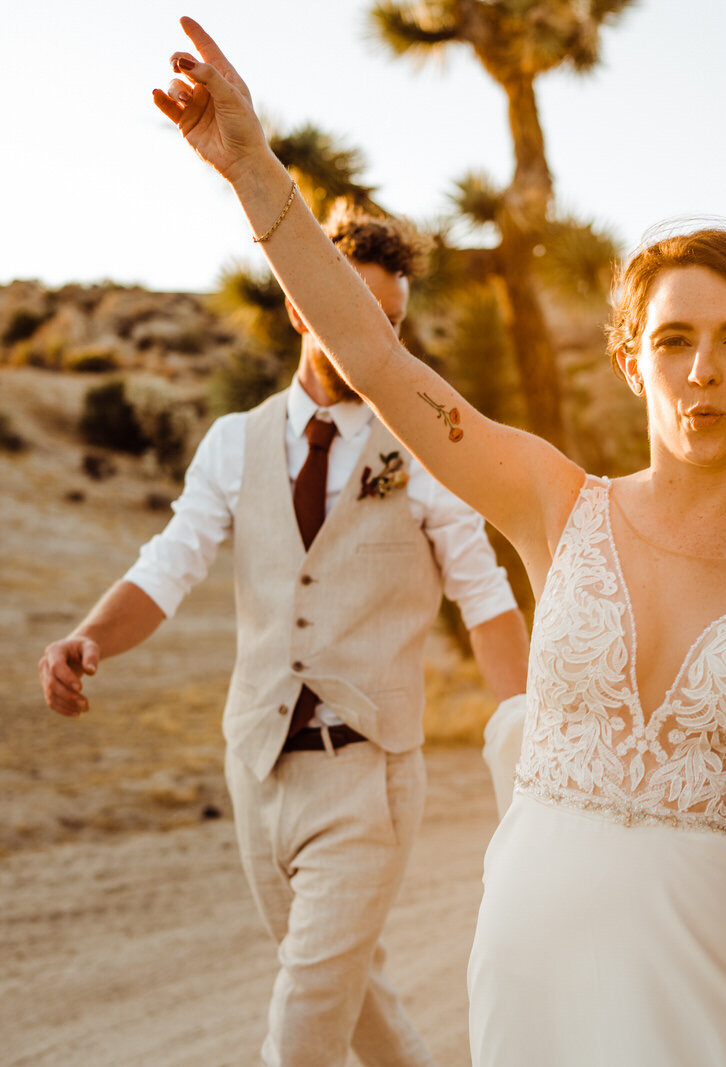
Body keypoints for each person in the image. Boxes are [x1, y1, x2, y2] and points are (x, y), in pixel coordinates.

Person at [151, 18, 726, 1064]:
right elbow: (373, 355)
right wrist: (250, 169)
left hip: (723, 970)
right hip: (535, 955)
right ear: (633, 362)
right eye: (674, 339)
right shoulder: (553, 499)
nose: (702, 371)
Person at [38, 204, 531, 1067]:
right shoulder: (235, 443)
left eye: (391, 325)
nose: (374, 340)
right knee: (355, 1001)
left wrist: (536, 733)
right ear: (301, 306)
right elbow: (170, 564)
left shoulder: (421, 452)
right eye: (350, 314)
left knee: (303, 1020)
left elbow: (486, 600)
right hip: (256, 767)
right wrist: (90, 637)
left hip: (368, 775)